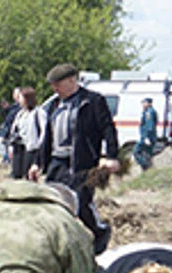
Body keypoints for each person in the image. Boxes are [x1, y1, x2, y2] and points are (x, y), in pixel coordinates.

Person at [31, 63, 120, 254]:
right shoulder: (54, 105)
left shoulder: (92, 101)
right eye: (52, 85)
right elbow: (47, 136)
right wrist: (37, 163)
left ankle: (100, 231)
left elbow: (108, 129)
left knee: (80, 202)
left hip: (81, 161)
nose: (55, 89)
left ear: (72, 80)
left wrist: (112, 156)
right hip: (57, 161)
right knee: (51, 200)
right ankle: (57, 242)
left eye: (58, 84)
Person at [9, 87, 44, 180]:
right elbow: (15, 129)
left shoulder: (38, 113)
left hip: (32, 148)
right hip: (19, 148)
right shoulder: (20, 114)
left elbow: (43, 131)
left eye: (20, 97)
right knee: (17, 175)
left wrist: (40, 147)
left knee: (29, 176)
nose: (19, 100)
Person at [135, 97, 158, 170]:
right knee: (147, 153)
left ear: (149, 103)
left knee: (136, 151)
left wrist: (147, 137)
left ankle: (146, 165)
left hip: (147, 136)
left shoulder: (149, 112)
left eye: (144, 103)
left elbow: (149, 125)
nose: (143, 104)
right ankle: (147, 167)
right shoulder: (147, 111)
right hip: (146, 136)